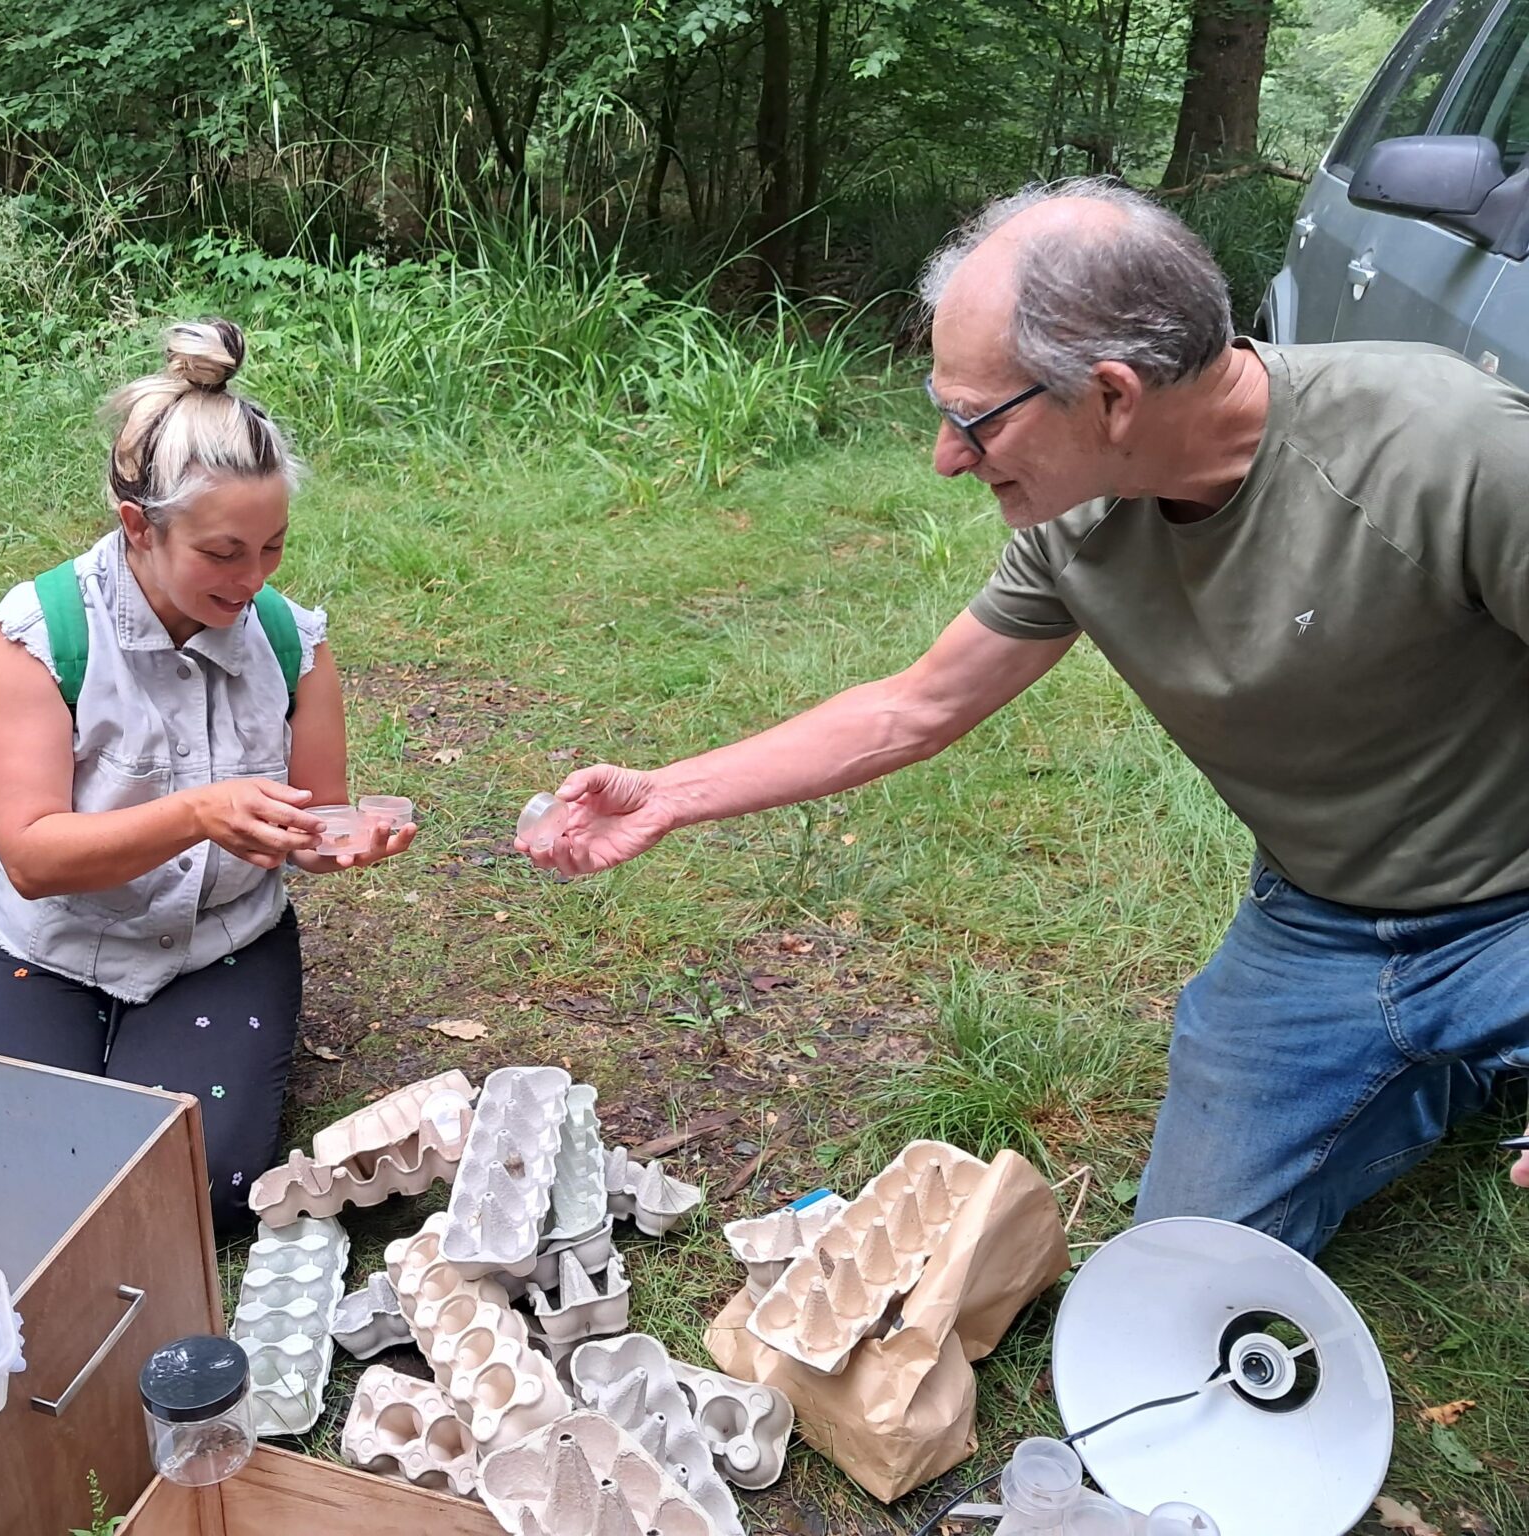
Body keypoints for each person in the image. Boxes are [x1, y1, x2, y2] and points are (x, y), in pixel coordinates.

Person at [519, 179, 1529, 1256]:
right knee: (1184, 1257)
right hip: (1317, 920)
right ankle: (1443, 1065)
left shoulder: (1448, 449)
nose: (947, 456)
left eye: (971, 418)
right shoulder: (1080, 520)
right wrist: (665, 795)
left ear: (1109, 397)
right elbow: (917, 705)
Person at [0, 319, 415, 1233]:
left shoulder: (288, 640)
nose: (253, 579)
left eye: (272, 546)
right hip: (53, 939)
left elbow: (309, 820)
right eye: (223, 554)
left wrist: (339, 843)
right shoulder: (37, 638)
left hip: (220, 941)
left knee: (204, 1195)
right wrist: (198, 812)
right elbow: (33, 857)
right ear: (137, 528)